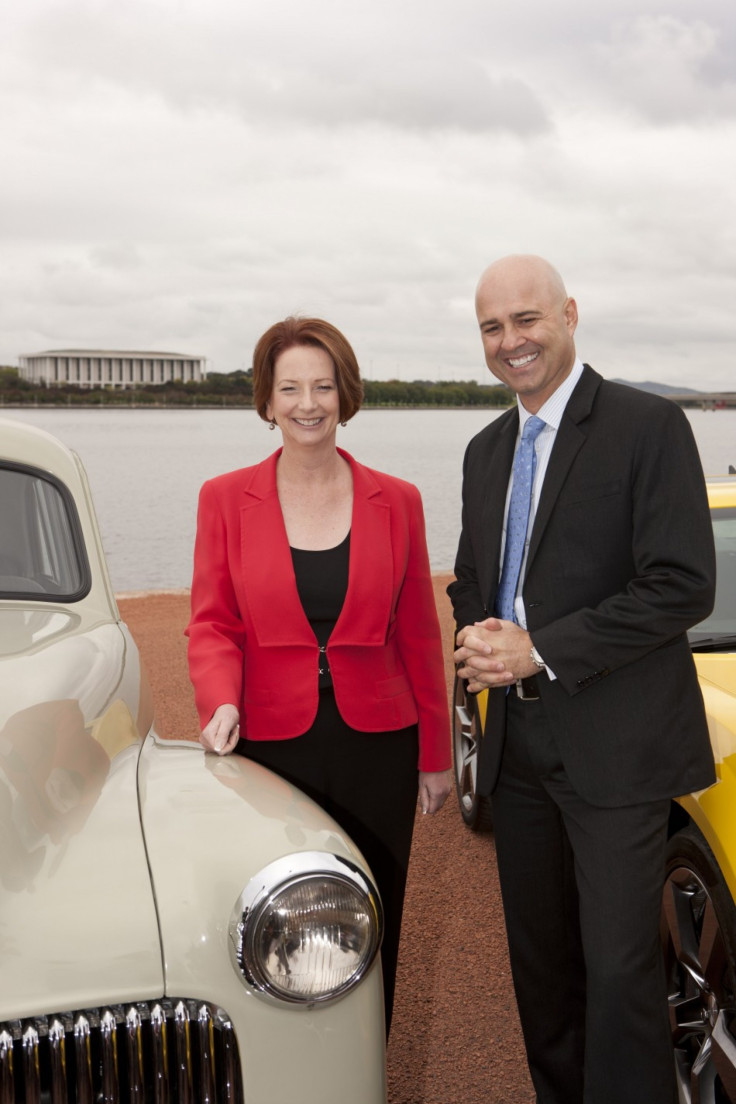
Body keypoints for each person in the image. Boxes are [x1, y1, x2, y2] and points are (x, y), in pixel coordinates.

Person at [449, 255, 716, 1103]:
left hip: (618, 748)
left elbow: (681, 585)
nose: (511, 342)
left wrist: (538, 647)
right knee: (543, 972)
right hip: (518, 749)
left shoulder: (648, 426)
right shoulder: (485, 450)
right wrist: (475, 628)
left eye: (526, 320)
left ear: (568, 313)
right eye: (493, 327)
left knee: (622, 975)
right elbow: (468, 576)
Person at [186, 316, 452, 1034]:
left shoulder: (397, 501)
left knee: (372, 918)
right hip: (269, 747)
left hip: (379, 748)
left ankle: (363, 1067)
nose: (309, 403)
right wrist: (220, 701)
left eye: (323, 386)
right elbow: (212, 623)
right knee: (274, 927)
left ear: (346, 395)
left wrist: (435, 757)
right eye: (290, 388)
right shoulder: (223, 499)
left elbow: (420, 634)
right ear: (266, 403)